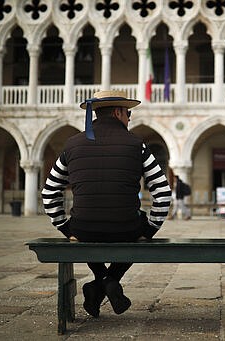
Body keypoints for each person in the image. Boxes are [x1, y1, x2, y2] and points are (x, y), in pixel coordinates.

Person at [42, 90, 172, 318]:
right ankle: (110, 280)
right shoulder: (137, 144)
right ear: (117, 112)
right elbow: (162, 191)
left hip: (83, 228)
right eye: (128, 112)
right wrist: (150, 230)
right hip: (126, 228)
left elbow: (50, 191)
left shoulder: (72, 145)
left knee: (91, 225)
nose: (130, 117)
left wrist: (66, 228)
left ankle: (99, 284)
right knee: (134, 227)